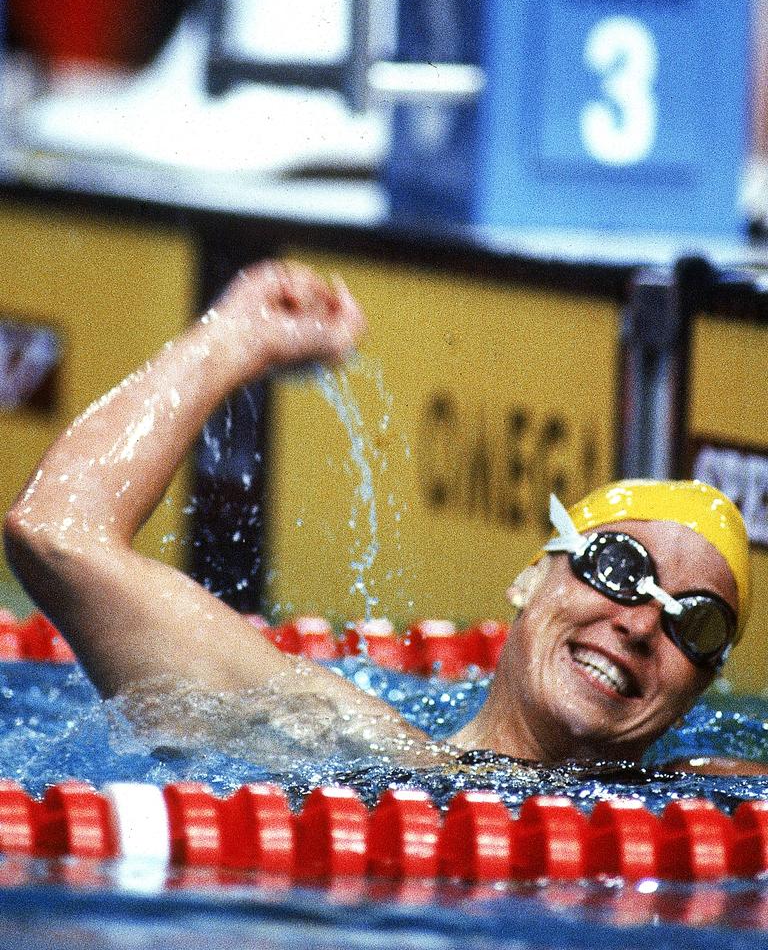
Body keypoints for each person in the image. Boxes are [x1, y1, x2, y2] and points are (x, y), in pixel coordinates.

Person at [2, 262, 759, 773]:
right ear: (533, 575)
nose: (639, 624)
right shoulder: (342, 741)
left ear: (700, 687)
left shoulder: (718, 799)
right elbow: (57, 534)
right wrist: (233, 341)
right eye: (621, 569)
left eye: (695, 624)